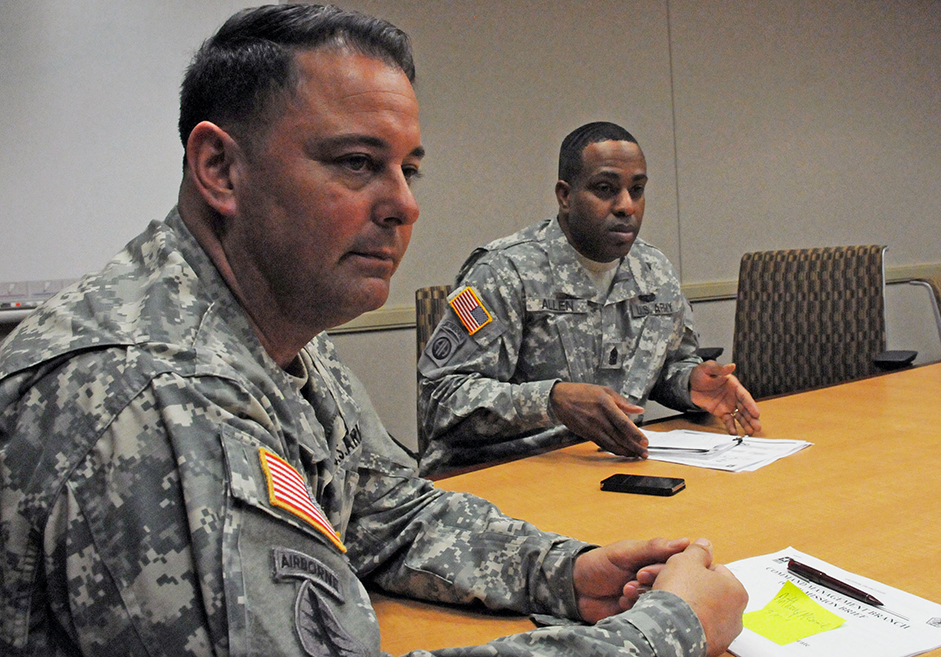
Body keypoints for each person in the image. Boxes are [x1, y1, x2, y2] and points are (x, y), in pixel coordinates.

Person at [0, 6, 747, 657]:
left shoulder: (282, 329)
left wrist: (561, 571)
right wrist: (664, 631)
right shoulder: (154, 390)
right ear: (220, 168)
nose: (403, 205)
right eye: (357, 163)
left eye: (408, 170)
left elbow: (388, 510)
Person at [418, 122, 762, 475]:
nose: (626, 205)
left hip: (608, 469)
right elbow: (440, 400)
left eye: (637, 189)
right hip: (500, 473)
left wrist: (691, 385)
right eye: (605, 189)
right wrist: (552, 400)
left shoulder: (654, 270)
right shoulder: (505, 272)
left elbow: (668, 367)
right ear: (565, 196)